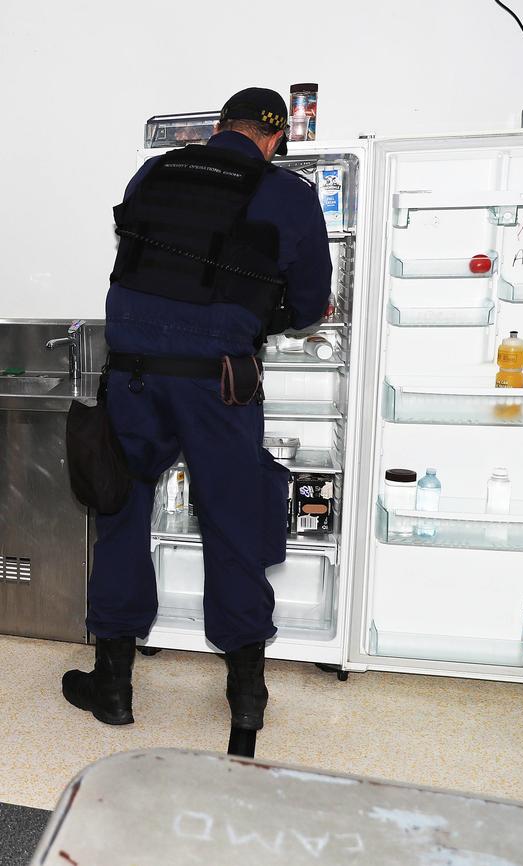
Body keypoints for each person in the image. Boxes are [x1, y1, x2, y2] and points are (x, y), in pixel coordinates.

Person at [62, 87, 332, 733]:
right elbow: (311, 303)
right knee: (233, 522)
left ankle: (114, 687)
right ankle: (246, 693)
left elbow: (132, 262)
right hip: (221, 383)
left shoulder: (157, 170)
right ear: (275, 139)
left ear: (218, 128)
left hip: (132, 376)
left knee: (122, 514)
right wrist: (260, 313)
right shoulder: (288, 192)